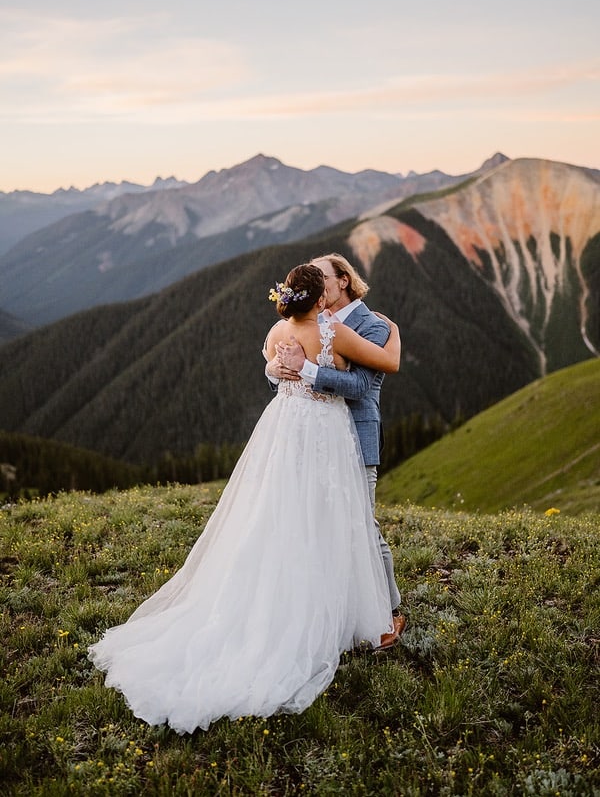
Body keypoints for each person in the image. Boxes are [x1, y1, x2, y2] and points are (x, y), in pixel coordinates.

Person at [88, 263, 401, 734]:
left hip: (286, 431)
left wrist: (285, 366)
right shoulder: (331, 328)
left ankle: (296, 607)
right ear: (320, 298)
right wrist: (379, 339)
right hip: (325, 437)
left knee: (286, 519)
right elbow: (363, 378)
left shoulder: (278, 328)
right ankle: (353, 619)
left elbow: (277, 368)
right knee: (336, 523)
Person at [267, 253, 405, 649]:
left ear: (343, 280)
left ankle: (390, 611)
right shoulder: (304, 321)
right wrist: (274, 370)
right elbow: (276, 360)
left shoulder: (373, 325)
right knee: (317, 523)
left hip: (354, 437)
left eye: (324, 277)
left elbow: (364, 383)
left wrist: (306, 370)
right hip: (312, 438)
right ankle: (336, 610)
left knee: (362, 525)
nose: (318, 285)